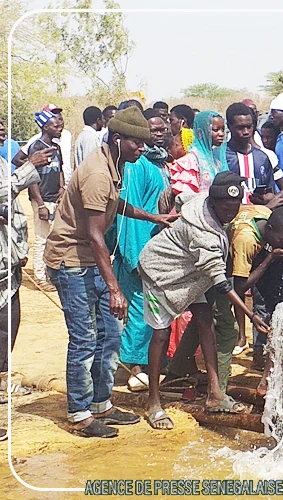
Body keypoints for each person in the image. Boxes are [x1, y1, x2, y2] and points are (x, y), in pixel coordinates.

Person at [44, 107, 177, 438]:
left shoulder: (114, 163)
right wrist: (115, 287)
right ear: (118, 139)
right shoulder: (98, 173)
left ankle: (102, 404)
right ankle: (79, 414)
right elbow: (94, 234)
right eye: (138, 144)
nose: (143, 150)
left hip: (90, 260)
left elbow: (114, 204)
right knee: (85, 339)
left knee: (110, 334)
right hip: (71, 261)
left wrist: (152, 218)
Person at [140, 172, 264, 430]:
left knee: (206, 320)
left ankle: (215, 393)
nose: (231, 214)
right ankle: (153, 402)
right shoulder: (203, 232)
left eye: (235, 207)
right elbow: (221, 283)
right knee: (161, 334)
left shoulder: (201, 200)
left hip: (190, 274)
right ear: (214, 203)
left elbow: (180, 197)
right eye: (225, 208)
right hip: (159, 273)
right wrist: (251, 317)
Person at [111, 110, 174, 393]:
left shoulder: (154, 163)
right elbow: (125, 212)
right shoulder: (135, 168)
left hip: (152, 244)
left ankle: (145, 364)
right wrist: (135, 255)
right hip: (138, 249)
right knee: (139, 308)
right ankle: (134, 368)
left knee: (148, 309)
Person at [228, 201, 283, 396]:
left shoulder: (269, 219)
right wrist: (270, 258)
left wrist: (281, 251)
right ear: (269, 230)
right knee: (224, 320)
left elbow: (281, 240)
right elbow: (240, 288)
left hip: (266, 251)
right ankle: (257, 357)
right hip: (228, 260)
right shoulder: (246, 239)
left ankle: (270, 361)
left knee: (280, 304)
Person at [0, 122, 44, 441]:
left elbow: (12, 209)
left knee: (8, 326)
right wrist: (31, 165)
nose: (2, 128)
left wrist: (20, 249)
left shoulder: (2, 162)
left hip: (8, 264)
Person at [27, 109, 66, 290]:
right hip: (42, 199)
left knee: (54, 236)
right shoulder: (36, 147)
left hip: (55, 199)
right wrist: (40, 204)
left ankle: (52, 273)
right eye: (55, 125)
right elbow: (31, 177)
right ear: (45, 126)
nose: (59, 127)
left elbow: (60, 170)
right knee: (42, 238)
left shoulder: (56, 147)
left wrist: (62, 188)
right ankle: (40, 277)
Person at [225, 102, 283, 205]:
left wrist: (267, 199)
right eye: (240, 128)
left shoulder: (262, 158)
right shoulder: (221, 156)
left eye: (249, 127)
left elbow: (270, 191)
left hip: (259, 217)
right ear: (229, 127)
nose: (246, 132)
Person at [170, 110, 226, 197]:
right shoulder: (191, 160)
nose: (221, 134)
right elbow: (186, 196)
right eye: (216, 130)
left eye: (223, 129)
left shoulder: (215, 159)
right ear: (201, 132)